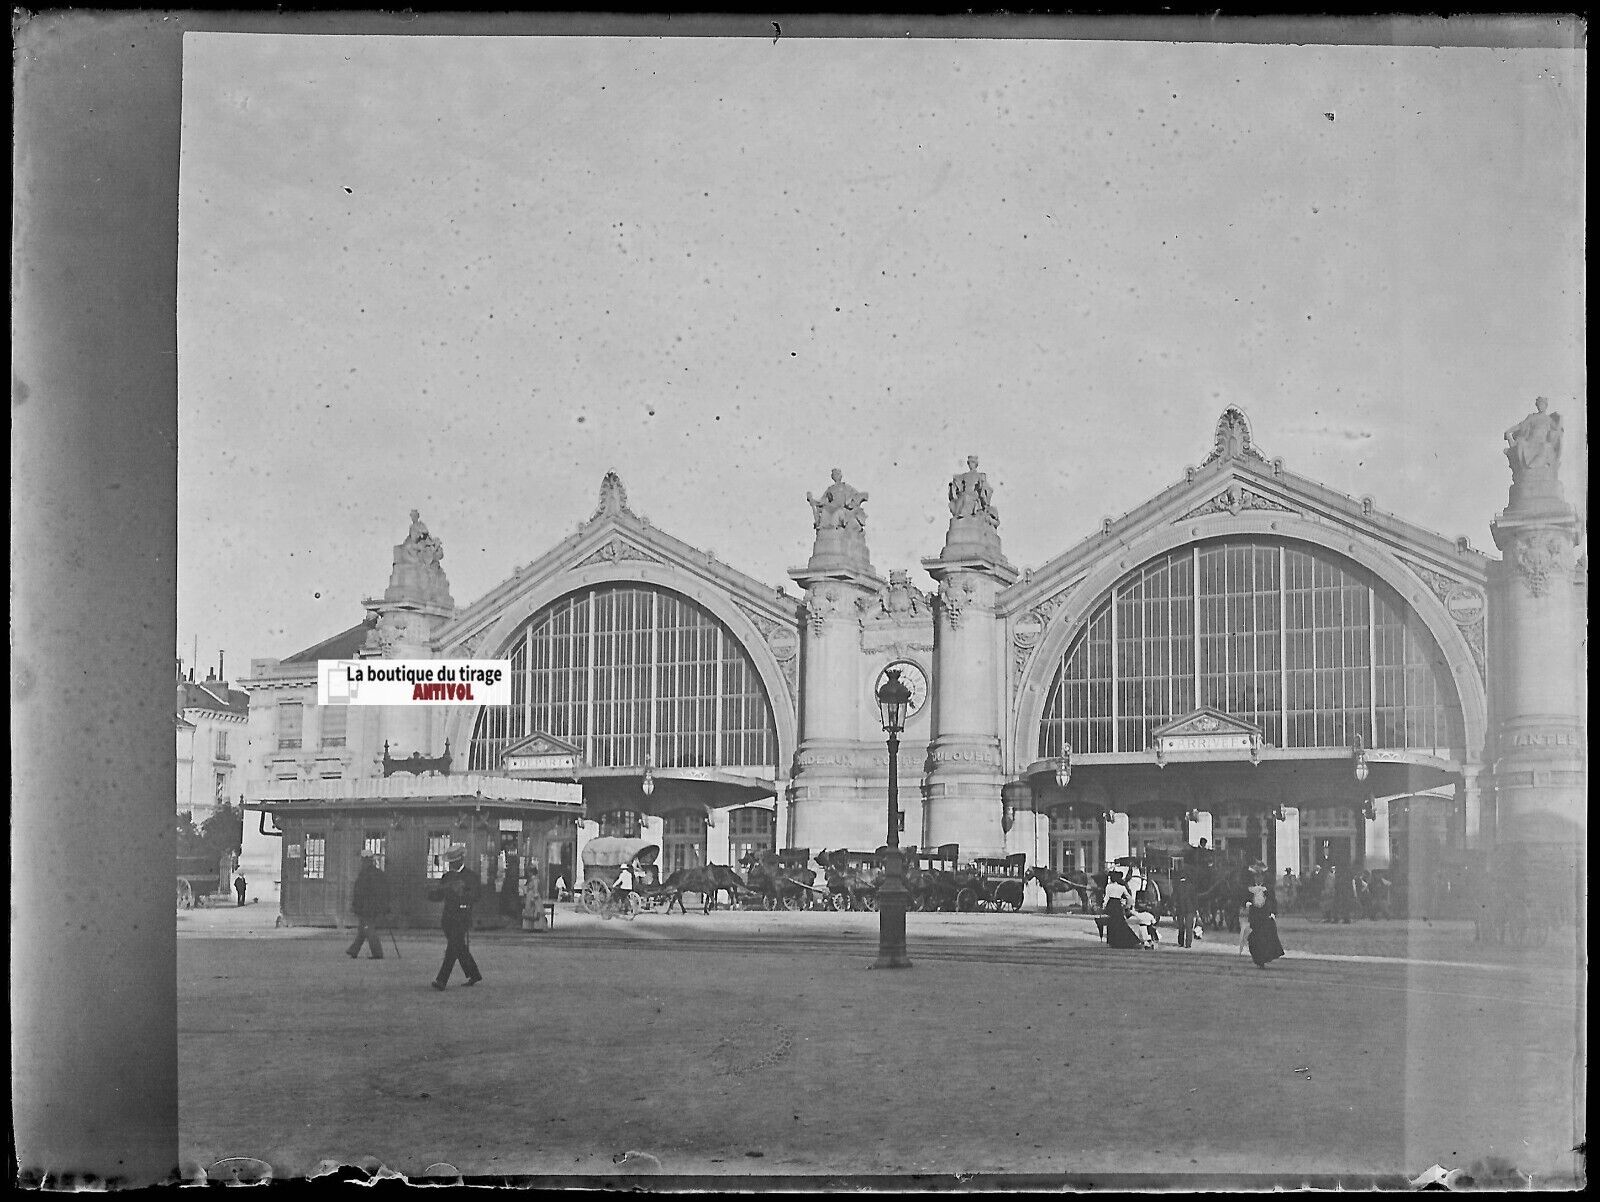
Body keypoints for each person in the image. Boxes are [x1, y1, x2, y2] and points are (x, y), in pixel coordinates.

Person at [428, 845, 482, 990]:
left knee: (452, 948)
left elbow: (476, 896)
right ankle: (474, 973)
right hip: (447, 919)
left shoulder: (471, 876)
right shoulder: (447, 877)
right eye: (450, 861)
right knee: (459, 947)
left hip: (462, 917)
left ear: (461, 860)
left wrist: (463, 894)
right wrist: (431, 894)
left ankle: (441, 980)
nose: (452, 864)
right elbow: (439, 896)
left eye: (454, 861)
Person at [346, 851, 391, 960]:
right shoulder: (378, 873)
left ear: (365, 861)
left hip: (367, 907)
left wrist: (355, 905)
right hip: (374, 906)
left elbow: (360, 892)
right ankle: (354, 950)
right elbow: (385, 891)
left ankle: (377, 953)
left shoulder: (365, 874)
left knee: (368, 928)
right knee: (363, 928)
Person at [1243, 882, 1285, 968]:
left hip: (1265, 915)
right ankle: (1258, 960)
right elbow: (1244, 898)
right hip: (1254, 916)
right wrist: (1246, 903)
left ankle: (1264, 958)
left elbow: (1273, 900)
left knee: (1266, 937)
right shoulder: (1249, 886)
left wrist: (1273, 912)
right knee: (1255, 938)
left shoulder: (1268, 887)